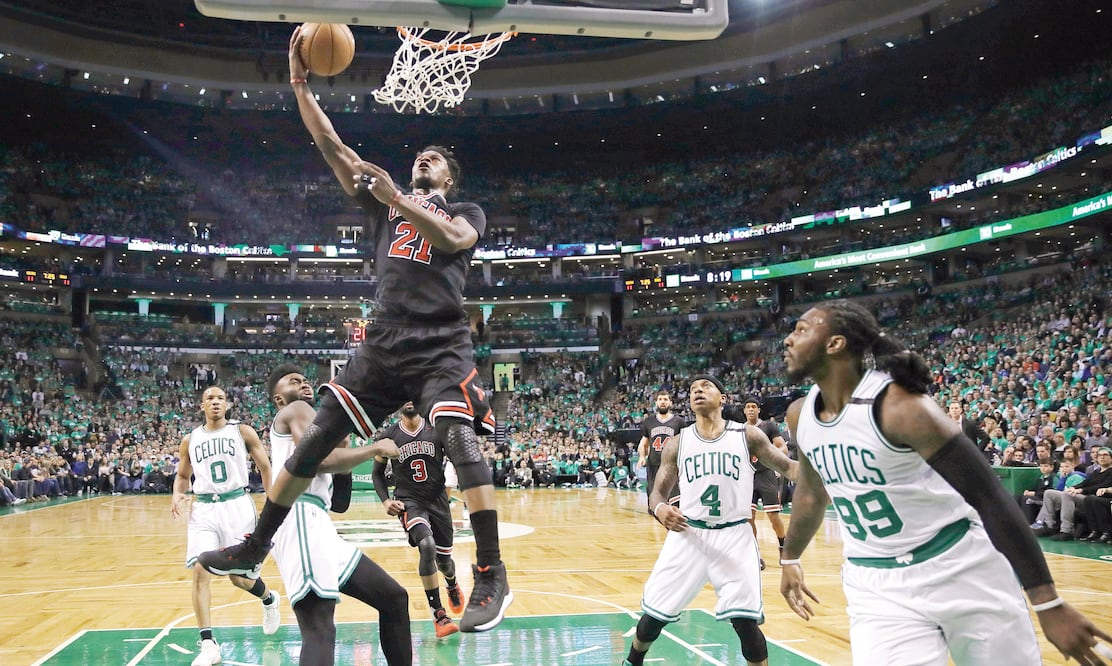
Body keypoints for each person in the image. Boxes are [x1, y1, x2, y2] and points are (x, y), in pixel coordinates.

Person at [200, 24, 511, 634]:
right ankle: (255, 544)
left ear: (447, 179)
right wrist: (299, 84)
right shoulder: (385, 202)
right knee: (315, 439)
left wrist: (399, 197)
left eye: (436, 159)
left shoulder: (464, 211)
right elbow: (334, 148)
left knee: (456, 436)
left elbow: (452, 239)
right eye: (419, 156)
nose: (424, 157)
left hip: (441, 343)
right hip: (385, 339)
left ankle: (493, 571)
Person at [777, 299, 1111, 665]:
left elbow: (988, 495)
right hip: (875, 583)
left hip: (960, 568)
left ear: (835, 343)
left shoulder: (900, 408)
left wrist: (1048, 603)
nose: (788, 340)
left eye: (802, 329)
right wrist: (789, 558)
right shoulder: (799, 415)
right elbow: (810, 493)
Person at [623, 375, 798, 666]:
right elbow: (657, 494)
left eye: (706, 387)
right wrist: (661, 509)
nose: (698, 391)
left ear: (723, 398)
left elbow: (790, 468)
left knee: (745, 622)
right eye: (693, 389)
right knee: (653, 617)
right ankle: (632, 661)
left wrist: (828, 468)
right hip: (689, 534)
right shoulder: (678, 443)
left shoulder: (747, 435)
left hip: (734, 536)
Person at [266, 365, 412, 665]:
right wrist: (373, 449)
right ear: (279, 399)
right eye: (293, 381)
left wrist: (343, 452)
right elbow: (316, 461)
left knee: (394, 599)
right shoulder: (295, 409)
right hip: (300, 516)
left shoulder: (317, 424)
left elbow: (340, 504)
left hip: (319, 522)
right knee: (319, 628)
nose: (303, 383)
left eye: (305, 379)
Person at [170, 386, 282, 666]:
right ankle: (208, 643)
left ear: (227, 404)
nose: (215, 402)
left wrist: (273, 503)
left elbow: (266, 468)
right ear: (201, 406)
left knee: (240, 578)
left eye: (220, 398)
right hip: (204, 508)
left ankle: (269, 599)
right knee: (200, 570)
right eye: (210, 398)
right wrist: (177, 493)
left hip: (237, 505)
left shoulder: (242, 432)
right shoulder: (190, 440)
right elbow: (183, 475)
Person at [372, 401, 467, 639]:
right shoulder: (389, 436)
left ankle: (452, 582)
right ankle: (439, 615)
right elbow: (377, 473)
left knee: (445, 563)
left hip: (438, 501)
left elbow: (459, 462)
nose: (408, 400)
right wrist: (385, 500)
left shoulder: (437, 428)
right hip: (409, 502)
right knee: (427, 546)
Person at [738, 397, 789, 570]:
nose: (751, 409)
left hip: (766, 474)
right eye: (748, 407)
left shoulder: (769, 426)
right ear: (744, 411)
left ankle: (783, 546)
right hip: (747, 476)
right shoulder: (739, 429)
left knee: (773, 516)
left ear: (759, 410)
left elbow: (783, 447)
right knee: (748, 518)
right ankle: (755, 554)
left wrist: (772, 457)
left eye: (754, 407)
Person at [636, 390, 685, 510]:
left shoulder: (679, 422)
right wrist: (642, 457)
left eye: (665, 399)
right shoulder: (649, 421)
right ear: (656, 402)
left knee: (674, 498)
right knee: (653, 498)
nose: (662, 402)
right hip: (654, 463)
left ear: (670, 403)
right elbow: (643, 443)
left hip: (672, 464)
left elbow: (684, 442)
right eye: (660, 399)